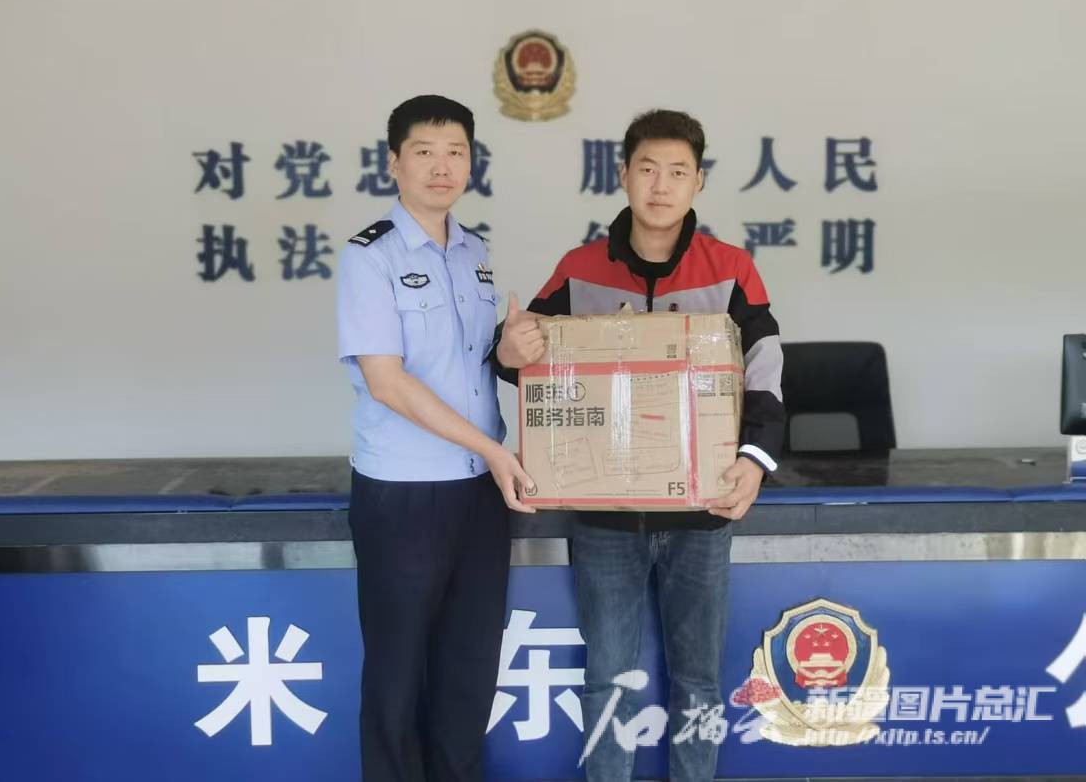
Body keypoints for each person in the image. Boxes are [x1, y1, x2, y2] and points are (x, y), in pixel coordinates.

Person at [492, 109, 785, 781]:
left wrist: (755, 458)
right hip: (605, 520)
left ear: (698, 181)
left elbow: (765, 368)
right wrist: (508, 351)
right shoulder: (580, 269)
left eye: (678, 171)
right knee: (607, 679)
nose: (661, 185)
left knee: (699, 680)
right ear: (622, 174)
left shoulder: (731, 269)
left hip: (704, 513)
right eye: (647, 169)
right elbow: (526, 361)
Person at [336, 94, 534, 782]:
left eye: (456, 153)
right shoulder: (370, 257)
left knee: (468, 670)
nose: (441, 167)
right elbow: (386, 381)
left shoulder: (475, 252)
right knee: (397, 673)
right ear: (394, 163)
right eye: (424, 152)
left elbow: (473, 365)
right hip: (404, 492)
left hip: (479, 491)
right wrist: (492, 449)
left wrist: (512, 350)